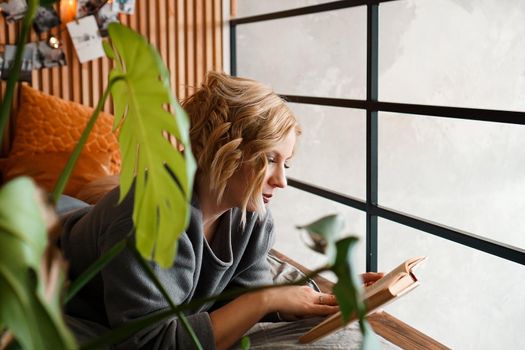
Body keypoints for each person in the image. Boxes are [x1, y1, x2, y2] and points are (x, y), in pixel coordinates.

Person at [60, 72, 383, 349]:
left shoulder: (251, 219)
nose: (282, 181)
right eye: (269, 159)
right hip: (56, 254)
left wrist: (319, 296)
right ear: (223, 150)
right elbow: (152, 342)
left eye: (286, 164)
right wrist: (266, 300)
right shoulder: (148, 218)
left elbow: (248, 295)